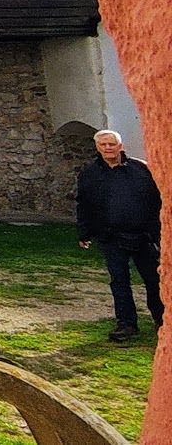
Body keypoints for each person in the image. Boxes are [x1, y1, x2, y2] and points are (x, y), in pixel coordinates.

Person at [77, 129, 164, 341]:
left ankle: (162, 321)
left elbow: (157, 200)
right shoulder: (90, 173)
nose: (108, 148)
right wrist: (85, 231)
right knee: (119, 281)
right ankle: (126, 324)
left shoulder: (141, 169)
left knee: (154, 280)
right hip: (111, 237)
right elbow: (84, 203)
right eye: (103, 145)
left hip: (143, 236)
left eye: (112, 144)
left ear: (120, 146)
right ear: (98, 148)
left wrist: (159, 232)